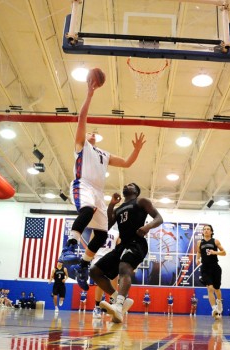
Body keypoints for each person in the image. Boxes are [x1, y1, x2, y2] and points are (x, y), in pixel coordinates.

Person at [59, 74, 146, 291]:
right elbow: (82, 119)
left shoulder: (104, 154)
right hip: (83, 185)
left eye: (93, 133)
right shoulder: (81, 146)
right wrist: (89, 95)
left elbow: (126, 163)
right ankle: (69, 246)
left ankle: (83, 265)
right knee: (87, 209)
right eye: (89, 132)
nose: (91, 134)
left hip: (98, 190)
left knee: (102, 233)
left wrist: (136, 150)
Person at [90, 183, 163, 323]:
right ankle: (120, 299)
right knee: (94, 271)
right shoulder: (118, 209)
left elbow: (159, 218)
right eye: (125, 185)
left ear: (136, 190)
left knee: (124, 267)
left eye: (130, 185)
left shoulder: (141, 201)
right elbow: (108, 225)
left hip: (137, 243)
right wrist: (111, 205)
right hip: (122, 245)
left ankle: (118, 305)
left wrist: (147, 227)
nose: (126, 185)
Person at [196, 224, 226, 319]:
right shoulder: (199, 242)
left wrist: (214, 252)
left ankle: (219, 302)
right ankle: (214, 309)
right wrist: (197, 259)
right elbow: (199, 252)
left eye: (208, 229)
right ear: (203, 231)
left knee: (217, 288)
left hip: (215, 267)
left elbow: (224, 252)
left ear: (211, 231)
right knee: (210, 288)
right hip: (205, 268)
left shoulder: (215, 241)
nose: (206, 230)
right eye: (204, 229)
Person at [91, 227, 120, 319]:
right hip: (99, 256)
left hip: (111, 257)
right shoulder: (97, 228)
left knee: (115, 278)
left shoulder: (116, 232)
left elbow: (119, 246)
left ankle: (113, 304)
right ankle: (97, 307)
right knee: (101, 282)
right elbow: (91, 244)